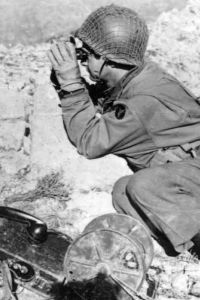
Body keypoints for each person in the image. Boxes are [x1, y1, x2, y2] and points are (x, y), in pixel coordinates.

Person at [48, 4, 200, 256]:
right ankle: (187, 246)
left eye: (88, 55)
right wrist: (67, 82)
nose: (84, 61)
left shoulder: (142, 104)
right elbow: (109, 98)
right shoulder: (139, 73)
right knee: (123, 192)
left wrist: (71, 85)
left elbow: (89, 143)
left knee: (144, 186)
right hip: (191, 169)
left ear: (109, 60)